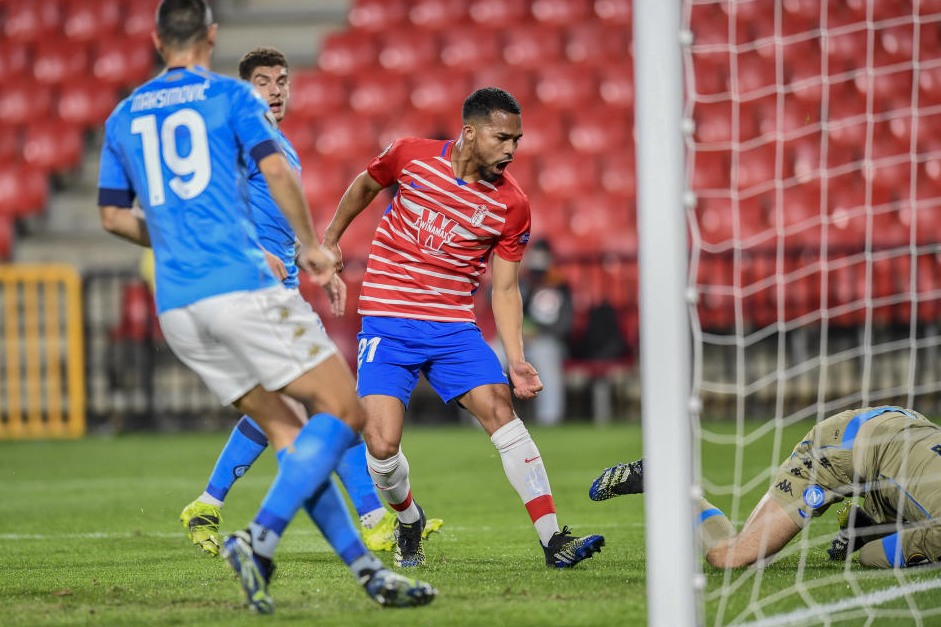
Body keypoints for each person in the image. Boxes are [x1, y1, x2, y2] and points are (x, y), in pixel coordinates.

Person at [96, 0, 435, 613]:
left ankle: (368, 570)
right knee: (347, 411)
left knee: (289, 430)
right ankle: (258, 537)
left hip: (178, 306)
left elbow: (113, 216)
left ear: (154, 40)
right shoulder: (230, 99)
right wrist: (312, 246)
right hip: (241, 286)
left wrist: (174, 234)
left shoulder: (123, 116)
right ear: (212, 37)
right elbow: (276, 174)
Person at [321, 87, 605, 569]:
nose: (511, 149)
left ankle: (554, 539)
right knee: (382, 444)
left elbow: (507, 289)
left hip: (453, 327)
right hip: (388, 323)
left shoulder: (512, 205)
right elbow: (366, 184)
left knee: (501, 411)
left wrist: (515, 358)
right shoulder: (410, 156)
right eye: (502, 137)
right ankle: (409, 519)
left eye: (517, 139)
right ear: (470, 132)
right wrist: (330, 240)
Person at [177, 46, 442, 558]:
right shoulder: (233, 142)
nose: (275, 90)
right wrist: (254, 254)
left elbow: (281, 227)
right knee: (330, 400)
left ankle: (208, 504)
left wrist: (314, 261)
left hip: (280, 292)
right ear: (243, 89)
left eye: (282, 80)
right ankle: (372, 519)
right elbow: (207, 211)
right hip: (250, 291)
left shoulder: (281, 147)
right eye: (263, 81)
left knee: (296, 404)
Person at [591, 405, 941, 569]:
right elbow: (871, 559)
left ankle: (865, 525)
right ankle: (666, 478)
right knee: (730, 556)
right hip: (836, 451)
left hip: (899, 430)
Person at [518, 238, 573, 426]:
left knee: (546, 356)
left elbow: (564, 324)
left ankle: (549, 419)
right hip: (517, 339)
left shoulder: (560, 285)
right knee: (492, 354)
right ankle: (487, 416)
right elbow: (505, 302)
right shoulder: (524, 281)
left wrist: (539, 332)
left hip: (546, 340)